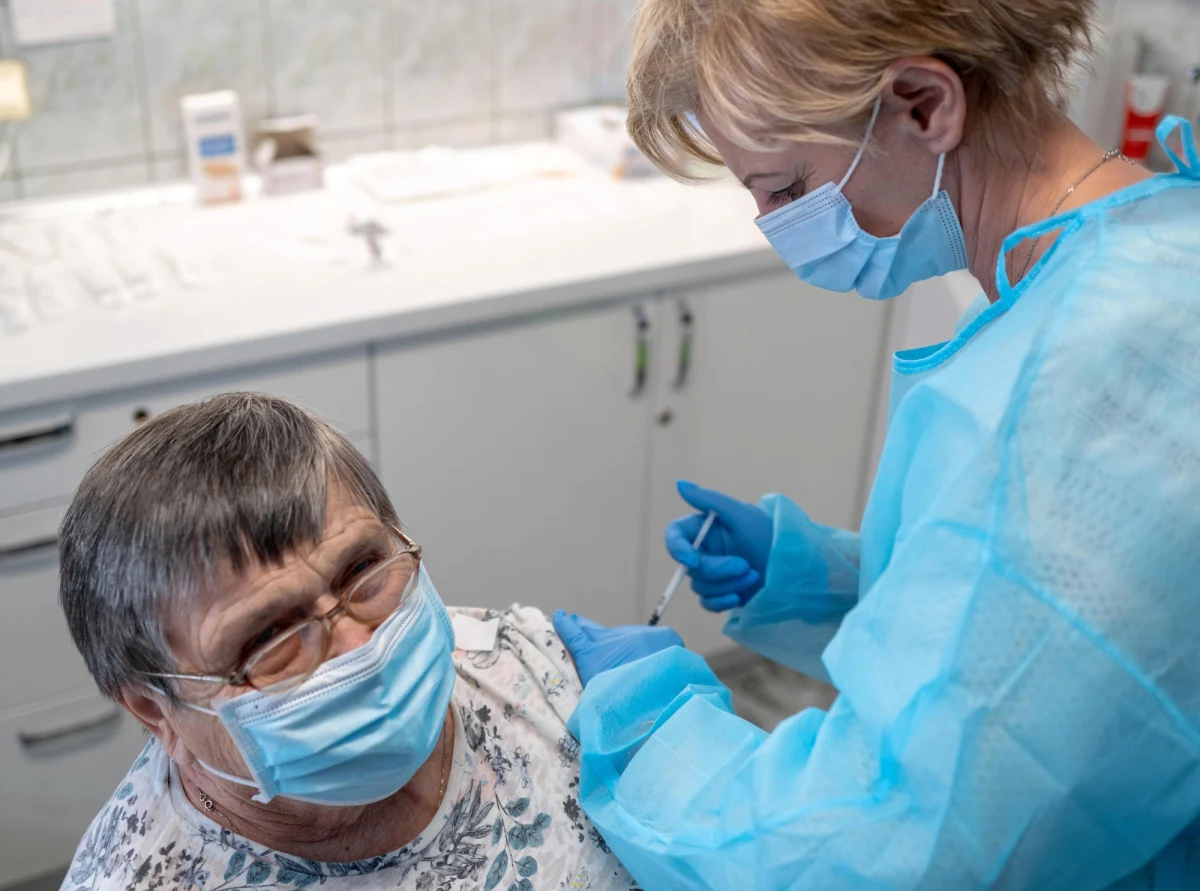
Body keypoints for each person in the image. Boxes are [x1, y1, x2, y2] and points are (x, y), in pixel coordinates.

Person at [551, 0, 1200, 888]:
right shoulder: (1154, 248)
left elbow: (881, 849)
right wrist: (817, 578)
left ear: (925, 106)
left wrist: (652, 731)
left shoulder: (1088, 374)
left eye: (785, 189)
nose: (778, 231)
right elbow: (1068, 632)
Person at [58, 393, 645, 891]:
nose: (360, 647)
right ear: (152, 706)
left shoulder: (530, 666)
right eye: (270, 635)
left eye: (361, 569)